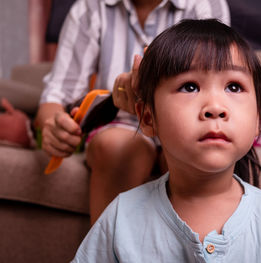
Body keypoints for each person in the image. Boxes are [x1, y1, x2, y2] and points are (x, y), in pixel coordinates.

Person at [71, 19, 261, 262]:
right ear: (148, 118)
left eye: (234, 87)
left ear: (257, 121)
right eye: (190, 87)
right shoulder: (120, 218)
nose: (215, 107)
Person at [35, 0, 230, 224]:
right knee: (117, 147)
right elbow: (57, 95)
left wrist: (149, 88)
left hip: (188, 121)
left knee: (193, 151)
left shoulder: (206, 4)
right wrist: (53, 124)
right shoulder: (90, 7)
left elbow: (213, 83)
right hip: (121, 125)